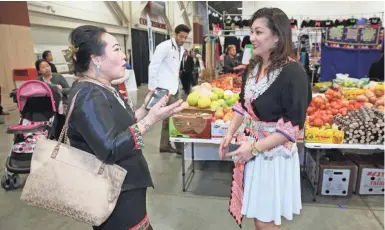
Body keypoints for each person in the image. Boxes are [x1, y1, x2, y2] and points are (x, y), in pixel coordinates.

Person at [65, 25, 184, 230]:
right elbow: (111, 149)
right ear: (96, 58)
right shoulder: (89, 95)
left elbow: (120, 126)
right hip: (114, 192)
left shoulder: (103, 87)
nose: (124, 57)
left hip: (125, 187)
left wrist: (146, 110)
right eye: (117, 49)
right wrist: (150, 121)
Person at [219, 8, 311, 230]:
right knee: (258, 217)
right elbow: (242, 104)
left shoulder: (293, 73)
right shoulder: (254, 67)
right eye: (251, 31)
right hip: (252, 149)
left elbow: (292, 127)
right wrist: (230, 133)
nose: (252, 38)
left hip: (272, 155)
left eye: (258, 32)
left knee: (264, 220)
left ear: (278, 36)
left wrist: (255, 148)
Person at [148, 24, 191, 153]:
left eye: (185, 37)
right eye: (181, 36)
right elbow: (153, 66)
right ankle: (179, 147)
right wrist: (152, 88)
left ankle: (164, 145)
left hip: (174, 87)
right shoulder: (164, 46)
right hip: (164, 88)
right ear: (175, 34)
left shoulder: (180, 49)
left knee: (168, 117)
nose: (183, 40)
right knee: (174, 116)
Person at [35, 59, 70, 139]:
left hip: (60, 106)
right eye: (43, 67)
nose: (47, 68)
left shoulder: (58, 76)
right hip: (46, 108)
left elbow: (69, 89)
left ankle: (60, 141)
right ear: (39, 71)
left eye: (47, 66)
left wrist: (58, 90)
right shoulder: (37, 80)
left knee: (60, 128)